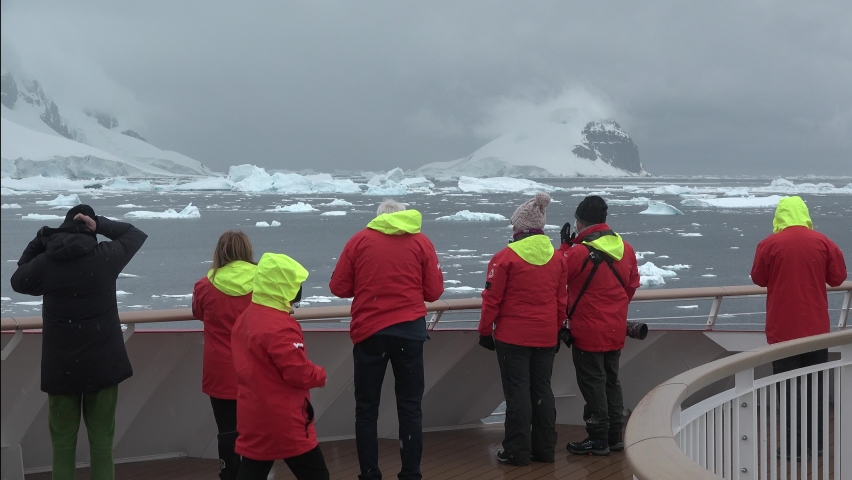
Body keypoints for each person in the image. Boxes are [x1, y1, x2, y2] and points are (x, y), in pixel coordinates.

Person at [10, 205, 147, 480]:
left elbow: (18, 278)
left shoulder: (47, 263)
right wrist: (101, 224)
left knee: (62, 445)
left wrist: (42, 238)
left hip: (62, 369)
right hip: (104, 367)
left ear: (62, 227)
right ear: (89, 228)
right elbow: (135, 234)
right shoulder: (105, 257)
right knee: (101, 444)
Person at [329, 199, 444, 480]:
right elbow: (434, 291)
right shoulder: (421, 242)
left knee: (366, 409)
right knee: (409, 406)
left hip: (371, 334)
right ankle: (410, 473)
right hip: (409, 334)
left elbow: (338, 286)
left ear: (378, 218)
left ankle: (370, 473)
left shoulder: (359, 241)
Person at [750, 196, 846, 459]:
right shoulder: (823, 242)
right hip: (815, 329)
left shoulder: (769, 244)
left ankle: (793, 446)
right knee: (814, 387)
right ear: (804, 214)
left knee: (788, 389)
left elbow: (758, 278)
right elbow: (838, 278)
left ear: (780, 215)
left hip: (783, 330)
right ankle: (816, 444)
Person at [477, 193, 568, 466]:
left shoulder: (505, 258)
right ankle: (545, 449)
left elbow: (492, 299)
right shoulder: (557, 259)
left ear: (519, 228)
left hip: (512, 337)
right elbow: (561, 301)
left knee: (517, 392)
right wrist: (554, 329)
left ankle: (517, 450)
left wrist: (484, 332)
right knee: (542, 390)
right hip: (545, 335)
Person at [231, 253, 328, 480]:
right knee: (316, 475)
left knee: (252, 471)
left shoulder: (245, 318)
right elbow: (298, 372)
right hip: (285, 419)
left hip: (253, 414)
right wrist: (320, 375)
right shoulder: (280, 326)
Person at [559, 195, 639, 456]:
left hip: (588, 329)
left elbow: (559, 275)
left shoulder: (579, 252)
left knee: (593, 383)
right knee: (611, 381)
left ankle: (598, 438)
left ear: (580, 222)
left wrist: (565, 247)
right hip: (615, 327)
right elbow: (631, 286)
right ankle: (615, 435)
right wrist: (613, 310)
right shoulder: (625, 248)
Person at [192, 231, 257, 480]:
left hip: (220, 370)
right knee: (254, 430)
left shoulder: (205, 286)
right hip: (255, 368)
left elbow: (198, 312)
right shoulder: (262, 282)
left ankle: (229, 473)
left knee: (227, 430)